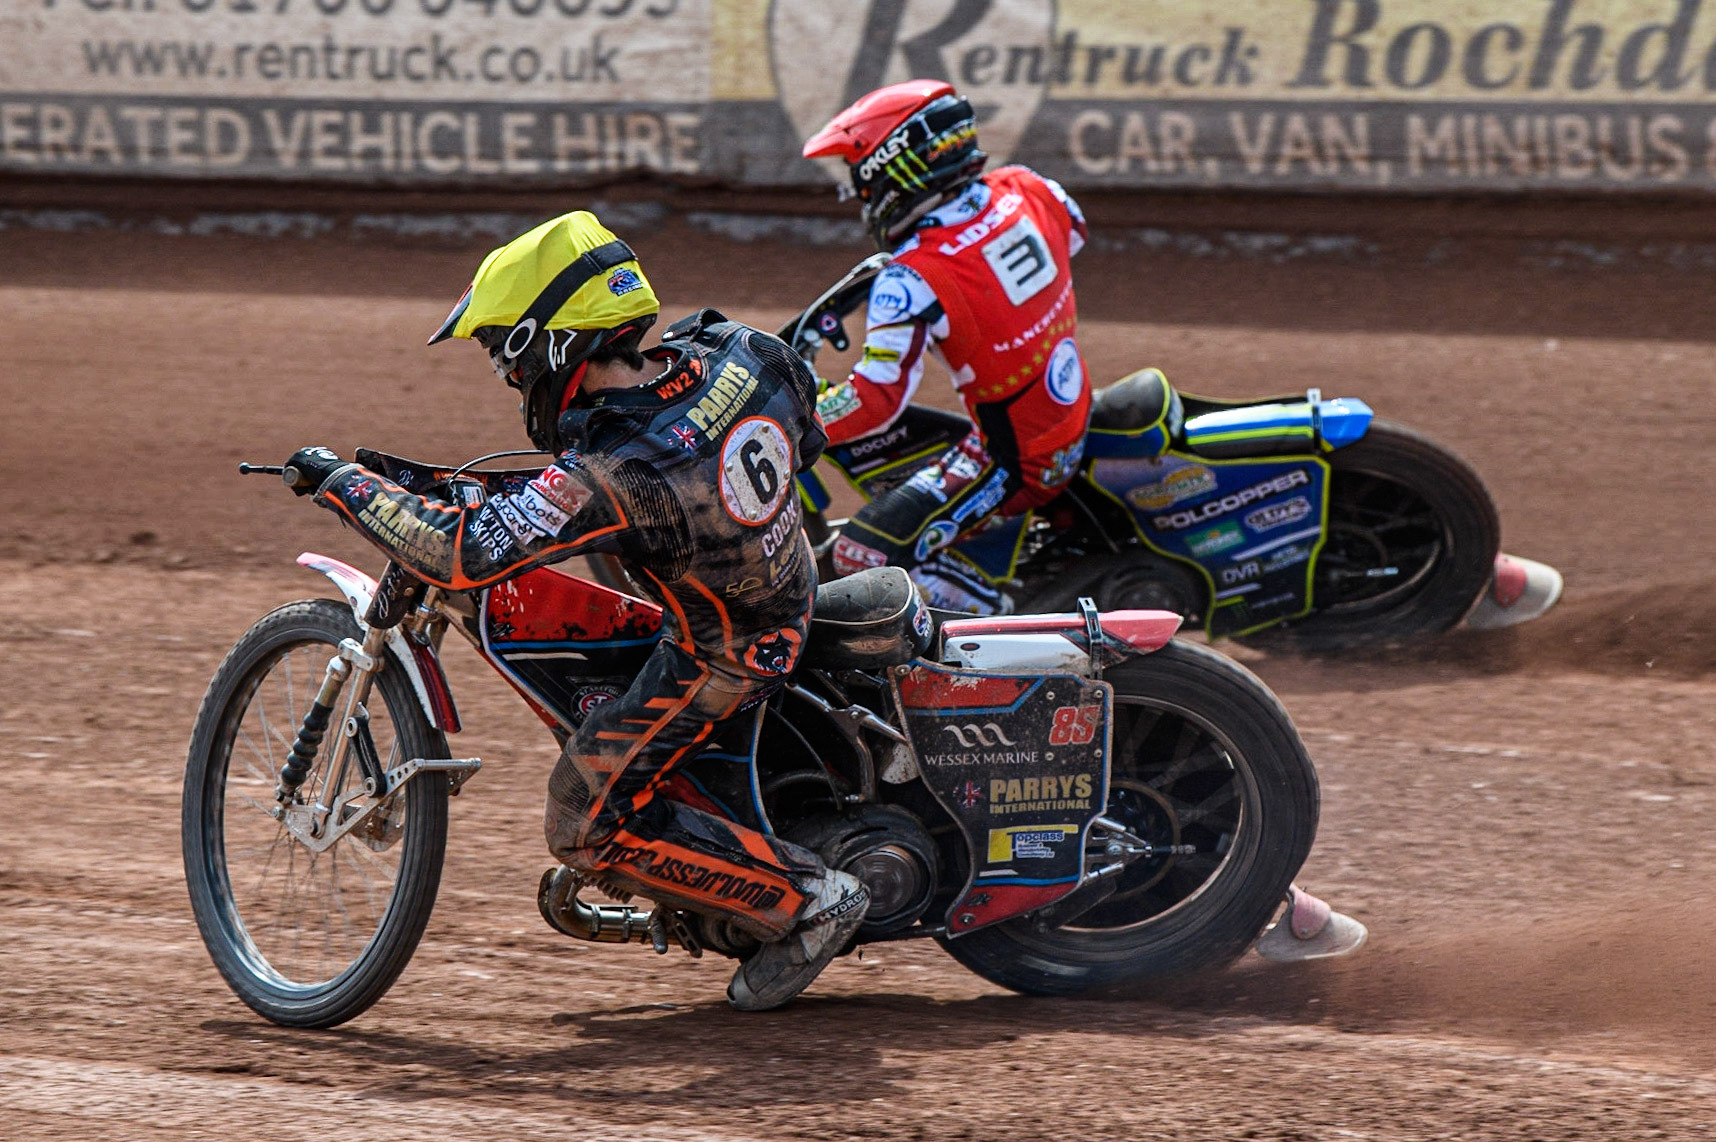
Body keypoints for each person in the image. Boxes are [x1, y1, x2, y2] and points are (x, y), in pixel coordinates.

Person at [282, 211, 868, 1011]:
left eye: (505, 354)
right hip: (788, 582)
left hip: (726, 652)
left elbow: (463, 555)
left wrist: (343, 484)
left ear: (549, 345)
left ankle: (807, 901)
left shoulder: (619, 470)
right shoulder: (746, 350)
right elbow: (807, 442)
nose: (508, 376)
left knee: (581, 819)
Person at [802, 79, 1092, 614]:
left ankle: (1010, 625)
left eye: (864, 183)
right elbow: (1073, 234)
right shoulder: (1031, 188)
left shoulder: (912, 277)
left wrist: (791, 423)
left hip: (1014, 460)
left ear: (895, 171)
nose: (864, 199)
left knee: (858, 555)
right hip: (1070, 414)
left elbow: (875, 401)